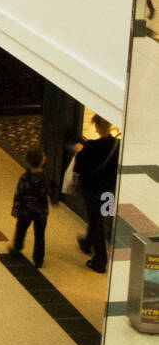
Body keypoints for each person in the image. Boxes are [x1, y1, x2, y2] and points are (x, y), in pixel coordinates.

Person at [72, 114, 120, 273]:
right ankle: (87, 243)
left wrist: (79, 151)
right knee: (103, 219)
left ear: (98, 126)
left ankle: (100, 260)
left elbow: (79, 167)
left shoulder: (90, 146)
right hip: (110, 191)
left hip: (92, 190)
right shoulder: (117, 145)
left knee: (96, 221)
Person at [10, 146, 51, 269]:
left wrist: (15, 209)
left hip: (25, 211)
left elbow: (19, 194)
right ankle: (38, 259)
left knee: (21, 230)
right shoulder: (45, 178)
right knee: (39, 235)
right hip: (41, 212)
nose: (45, 157)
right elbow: (50, 192)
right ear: (41, 161)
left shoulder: (25, 177)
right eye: (43, 156)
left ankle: (17, 248)